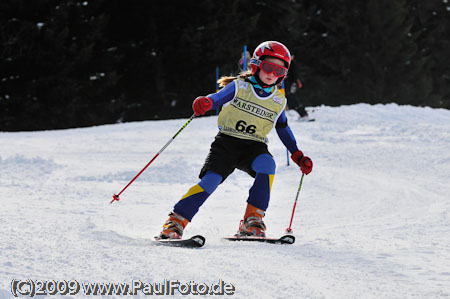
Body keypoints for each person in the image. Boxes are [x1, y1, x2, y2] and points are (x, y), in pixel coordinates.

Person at [157, 41, 313, 240]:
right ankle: (176, 221)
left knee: (267, 164)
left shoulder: (279, 100)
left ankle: (253, 219)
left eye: (279, 70)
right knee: (211, 181)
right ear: (256, 65)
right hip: (227, 144)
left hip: (254, 147)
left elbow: (282, 128)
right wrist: (205, 102)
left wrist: (297, 155)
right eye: (268, 67)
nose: (272, 74)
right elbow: (216, 98)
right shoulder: (239, 86)